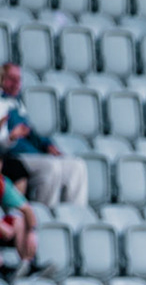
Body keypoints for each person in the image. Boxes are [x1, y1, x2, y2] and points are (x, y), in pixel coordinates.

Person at [0, 64, 86, 204]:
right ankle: (46, 211)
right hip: (15, 156)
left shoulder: (18, 104)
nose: (16, 84)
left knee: (77, 165)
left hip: (33, 153)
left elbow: (32, 133)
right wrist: (12, 137)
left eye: (19, 79)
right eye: (11, 79)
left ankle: (75, 211)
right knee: (51, 166)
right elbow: (2, 143)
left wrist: (48, 145)